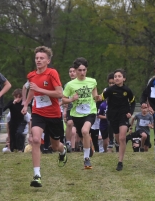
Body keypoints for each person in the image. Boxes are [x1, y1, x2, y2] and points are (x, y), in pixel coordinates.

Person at [21, 46, 67, 187]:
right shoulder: (31, 75)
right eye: (37, 58)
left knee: (55, 146)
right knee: (35, 139)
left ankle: (63, 150)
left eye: (42, 58)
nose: (39, 60)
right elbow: (32, 91)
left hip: (53, 114)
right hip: (38, 112)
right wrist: (26, 104)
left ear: (48, 60)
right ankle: (37, 175)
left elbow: (59, 93)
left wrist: (41, 89)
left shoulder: (52, 73)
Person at [62, 57, 98, 169]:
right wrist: (72, 99)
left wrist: (98, 97)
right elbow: (63, 99)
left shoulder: (92, 81)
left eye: (84, 70)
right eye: (80, 70)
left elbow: (95, 96)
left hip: (90, 112)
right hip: (76, 114)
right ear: (76, 70)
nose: (82, 72)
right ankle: (89, 145)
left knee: (85, 131)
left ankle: (86, 159)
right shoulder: (70, 85)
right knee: (82, 135)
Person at [97, 69, 136, 171]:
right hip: (112, 117)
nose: (117, 78)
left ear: (124, 78)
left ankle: (120, 162)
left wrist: (130, 113)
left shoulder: (127, 90)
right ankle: (118, 144)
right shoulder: (109, 90)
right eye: (115, 76)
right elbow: (100, 99)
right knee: (118, 139)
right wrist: (96, 98)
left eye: (119, 76)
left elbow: (133, 102)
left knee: (122, 138)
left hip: (123, 116)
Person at [63, 66, 77, 152]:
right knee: (69, 123)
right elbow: (65, 98)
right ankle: (68, 143)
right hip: (70, 108)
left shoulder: (81, 83)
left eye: (73, 71)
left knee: (78, 130)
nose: (72, 73)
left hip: (80, 108)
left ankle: (79, 144)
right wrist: (65, 110)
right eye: (70, 71)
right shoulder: (67, 85)